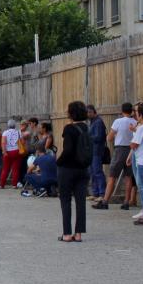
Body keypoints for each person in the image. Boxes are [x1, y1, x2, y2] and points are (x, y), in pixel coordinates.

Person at [57, 101, 91, 242]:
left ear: (71, 113)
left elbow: (68, 150)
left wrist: (58, 161)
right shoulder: (87, 128)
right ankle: (78, 233)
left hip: (68, 168)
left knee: (65, 200)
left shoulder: (69, 129)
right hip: (83, 168)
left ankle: (66, 233)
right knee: (80, 201)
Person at [93, 103, 136, 210]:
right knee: (128, 177)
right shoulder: (135, 122)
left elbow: (109, 138)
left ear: (122, 111)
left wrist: (115, 135)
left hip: (120, 149)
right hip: (131, 150)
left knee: (112, 176)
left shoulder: (118, 121)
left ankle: (105, 201)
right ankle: (126, 201)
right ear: (131, 111)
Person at [87, 105, 107, 202]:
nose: (86, 115)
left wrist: (87, 137)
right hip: (92, 151)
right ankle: (95, 193)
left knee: (97, 171)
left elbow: (99, 137)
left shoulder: (98, 122)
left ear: (92, 112)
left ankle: (102, 193)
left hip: (97, 151)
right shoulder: (92, 122)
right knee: (92, 172)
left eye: (88, 112)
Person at [0, 119, 22, 189]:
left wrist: (4, 151)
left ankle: (2, 184)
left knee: (5, 169)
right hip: (16, 151)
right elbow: (21, 142)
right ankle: (14, 185)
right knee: (15, 169)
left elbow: (3, 143)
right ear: (14, 125)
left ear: (8, 125)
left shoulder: (5, 133)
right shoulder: (18, 132)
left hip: (8, 151)